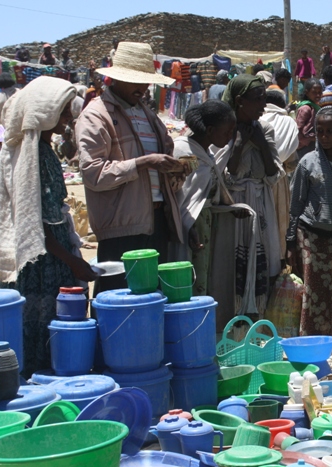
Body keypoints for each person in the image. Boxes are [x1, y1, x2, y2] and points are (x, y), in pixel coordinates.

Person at [0, 77, 98, 377]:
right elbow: (36, 223)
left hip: (36, 255)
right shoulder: (37, 158)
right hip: (42, 261)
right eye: (63, 111)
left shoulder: (28, 151)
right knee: (42, 327)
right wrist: (72, 261)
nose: (69, 117)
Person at [76, 41, 185, 294]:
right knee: (119, 300)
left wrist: (176, 170)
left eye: (146, 80)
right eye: (136, 81)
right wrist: (143, 163)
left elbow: (163, 159)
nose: (144, 87)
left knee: (153, 300)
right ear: (116, 79)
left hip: (156, 222)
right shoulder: (97, 115)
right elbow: (94, 174)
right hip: (121, 228)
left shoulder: (148, 114)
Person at [219, 73, 285, 312]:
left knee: (262, 260)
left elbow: (272, 174)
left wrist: (259, 143)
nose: (263, 106)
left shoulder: (264, 129)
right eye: (258, 99)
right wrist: (237, 145)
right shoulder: (223, 131)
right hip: (233, 206)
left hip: (260, 203)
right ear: (239, 101)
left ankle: (258, 317)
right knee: (232, 264)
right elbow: (224, 177)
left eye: (264, 99)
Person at [287, 107, 332, 336]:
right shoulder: (308, 162)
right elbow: (296, 204)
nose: (324, 137)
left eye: (330, 132)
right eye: (320, 131)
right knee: (314, 291)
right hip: (312, 235)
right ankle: (311, 338)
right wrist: (291, 240)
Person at [169, 100, 236, 295]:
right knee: (189, 282)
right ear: (210, 130)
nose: (230, 136)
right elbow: (181, 197)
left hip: (205, 222)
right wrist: (188, 227)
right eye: (227, 131)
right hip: (190, 226)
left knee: (203, 279)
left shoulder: (207, 153)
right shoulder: (183, 150)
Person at [262, 89, 300, 254]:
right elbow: (291, 161)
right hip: (279, 179)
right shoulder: (288, 123)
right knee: (278, 221)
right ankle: (279, 259)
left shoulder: (256, 119)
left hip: (254, 182)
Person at [295, 79, 321, 158]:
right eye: (314, 92)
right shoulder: (305, 109)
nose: (317, 95)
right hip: (304, 147)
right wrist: (311, 138)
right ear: (307, 92)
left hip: (313, 145)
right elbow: (298, 131)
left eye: (319, 92)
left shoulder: (315, 107)